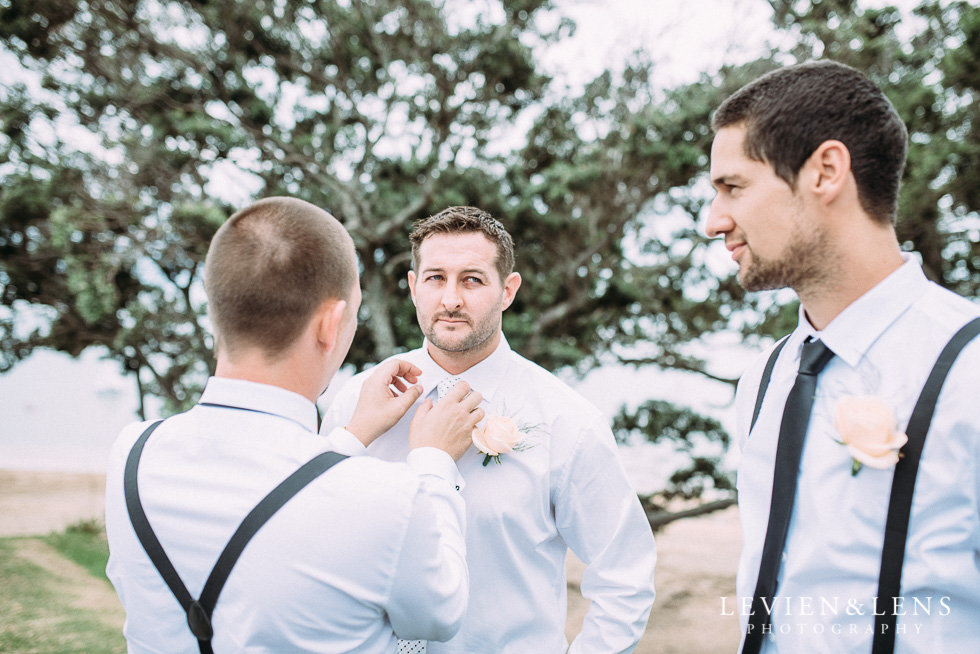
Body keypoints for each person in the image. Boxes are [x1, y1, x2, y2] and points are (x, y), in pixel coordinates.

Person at [105, 197, 485, 653]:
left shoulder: (133, 453)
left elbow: (277, 501)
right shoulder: (393, 498)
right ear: (331, 323)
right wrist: (434, 462)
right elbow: (439, 614)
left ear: (218, 311)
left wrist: (353, 435)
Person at [706, 60, 980, 653]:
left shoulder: (972, 371)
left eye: (733, 187)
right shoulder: (763, 379)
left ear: (825, 172)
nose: (713, 221)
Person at [320, 206, 656, 654]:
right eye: (435, 278)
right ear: (413, 287)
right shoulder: (357, 401)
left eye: (472, 280)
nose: (451, 299)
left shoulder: (567, 421)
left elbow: (625, 576)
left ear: (507, 291)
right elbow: (313, 539)